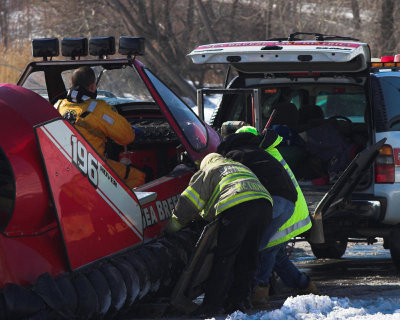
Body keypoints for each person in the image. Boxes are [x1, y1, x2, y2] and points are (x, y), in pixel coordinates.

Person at [219, 126, 318, 309]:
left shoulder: (245, 154)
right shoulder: (266, 150)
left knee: (260, 248)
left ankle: (260, 292)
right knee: (276, 253)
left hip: (284, 208)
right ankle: (304, 284)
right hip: (293, 206)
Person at [163, 153, 273, 316]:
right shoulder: (238, 166)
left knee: (224, 258)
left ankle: (211, 306)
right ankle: (239, 302)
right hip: (264, 206)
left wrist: (171, 228)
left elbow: (188, 202)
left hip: (237, 207)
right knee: (248, 257)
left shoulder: (210, 169)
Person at [56, 66, 145, 189]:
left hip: (62, 168)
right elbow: (127, 137)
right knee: (138, 177)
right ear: (93, 87)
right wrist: (134, 132)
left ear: (72, 84)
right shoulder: (98, 109)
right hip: (91, 169)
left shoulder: (58, 106)